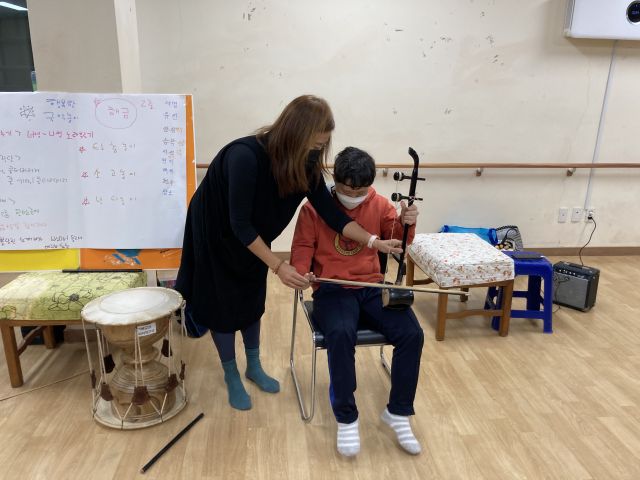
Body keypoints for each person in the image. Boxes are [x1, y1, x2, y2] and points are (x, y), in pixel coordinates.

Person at [175, 95, 403, 411]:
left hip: (254, 235)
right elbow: (239, 224)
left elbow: (333, 217)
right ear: (295, 133)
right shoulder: (245, 156)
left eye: (321, 146)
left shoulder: (305, 164)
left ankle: (253, 365)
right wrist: (278, 266)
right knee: (221, 305)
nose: (317, 152)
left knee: (251, 297)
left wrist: (373, 242)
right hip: (217, 234)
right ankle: (231, 373)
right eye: (314, 145)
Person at [290, 146, 424, 457]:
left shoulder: (379, 205)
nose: (354, 196)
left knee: (412, 333)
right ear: (335, 181)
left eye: (360, 191)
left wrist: (407, 221)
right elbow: (302, 249)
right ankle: (346, 417)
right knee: (340, 334)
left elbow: (401, 244)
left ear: (369, 185)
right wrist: (302, 272)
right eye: (347, 190)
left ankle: (399, 412)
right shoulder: (314, 209)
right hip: (332, 289)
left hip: (371, 286)